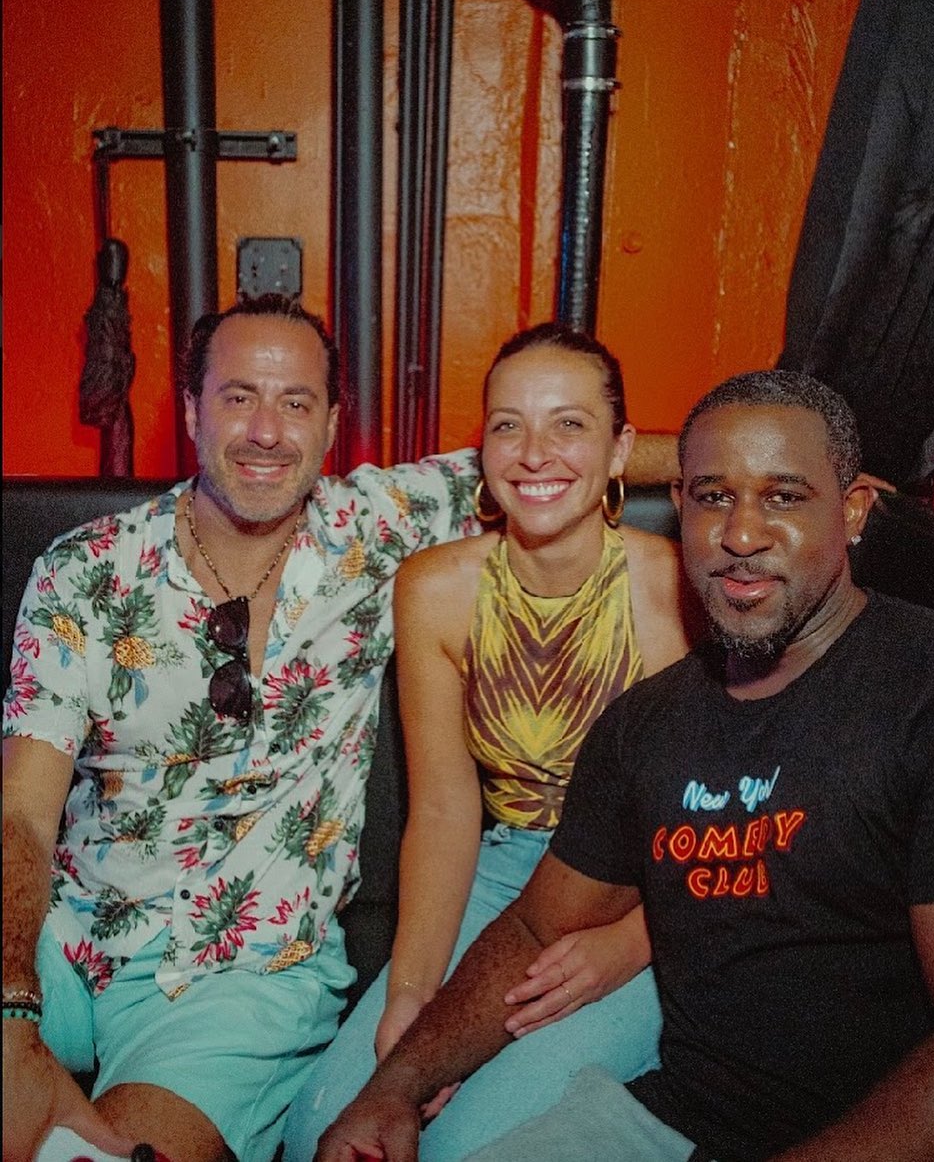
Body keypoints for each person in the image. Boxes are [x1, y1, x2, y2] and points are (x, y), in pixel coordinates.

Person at [1, 296, 678, 1162]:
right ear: (192, 410)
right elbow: (21, 814)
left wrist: (755, 474)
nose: (266, 431)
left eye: (295, 402)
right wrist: (13, 1012)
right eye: (239, 396)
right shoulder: (84, 569)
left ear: (330, 426)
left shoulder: (377, 527)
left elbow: (553, 456)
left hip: (244, 970)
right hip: (66, 929)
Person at [315, 370, 934, 1162]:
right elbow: (534, 927)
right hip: (675, 1122)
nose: (742, 534)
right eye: (714, 497)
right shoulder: (647, 723)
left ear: (854, 510)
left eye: (784, 497)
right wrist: (394, 1087)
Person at [284, 325, 694, 1161]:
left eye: (569, 424)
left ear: (621, 449)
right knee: (322, 1128)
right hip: (503, 874)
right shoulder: (436, 589)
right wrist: (411, 994)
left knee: (465, 1144)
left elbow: (716, 824)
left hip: (651, 895)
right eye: (510, 425)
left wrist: (630, 945)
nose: (535, 453)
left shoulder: (675, 588)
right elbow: (443, 810)